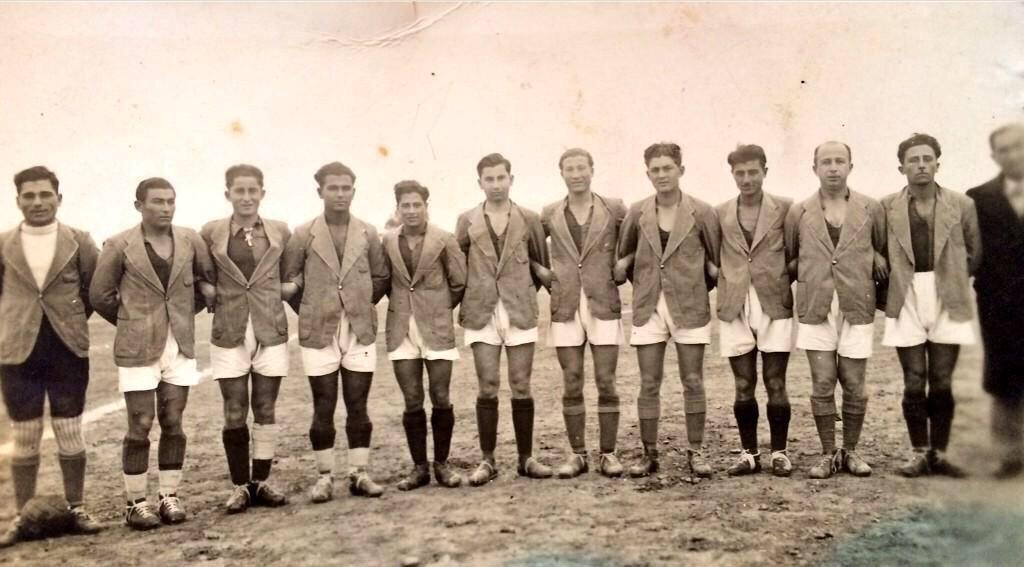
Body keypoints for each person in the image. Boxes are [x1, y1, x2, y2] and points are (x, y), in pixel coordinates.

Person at [90, 177, 216, 529]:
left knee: (173, 420)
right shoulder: (118, 244)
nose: (165, 207)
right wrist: (134, 321)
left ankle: (169, 496)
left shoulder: (190, 239)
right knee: (141, 423)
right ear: (139, 206)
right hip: (137, 345)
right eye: (157, 201)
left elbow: (206, 281)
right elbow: (100, 295)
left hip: (179, 344)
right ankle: (135, 503)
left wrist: (182, 313)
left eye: (170, 201)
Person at [0, 166, 103, 546]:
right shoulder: (3, 243)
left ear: (59, 198)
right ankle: (23, 516)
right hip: (17, 351)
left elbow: (93, 290)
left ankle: (76, 507)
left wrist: (69, 320)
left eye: (45, 194)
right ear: (18, 201)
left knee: (68, 430)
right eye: (29, 196)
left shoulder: (79, 240)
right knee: (24, 434)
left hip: (66, 348)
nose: (38, 202)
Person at [281, 161, 389, 501]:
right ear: (320, 192)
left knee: (358, 404)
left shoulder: (369, 232)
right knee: (323, 405)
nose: (340, 194)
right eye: (333, 188)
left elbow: (381, 277)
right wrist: (313, 309)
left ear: (354, 191)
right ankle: (324, 476)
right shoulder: (302, 233)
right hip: (319, 329)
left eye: (346, 188)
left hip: (358, 328)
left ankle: (359, 473)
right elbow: (291, 279)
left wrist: (358, 304)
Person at [618, 142, 721, 478]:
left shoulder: (702, 212)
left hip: (689, 305)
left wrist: (689, 286)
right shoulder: (637, 212)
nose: (662, 175)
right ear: (647, 173)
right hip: (649, 306)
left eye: (668, 168)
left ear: (681, 170)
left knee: (692, 380)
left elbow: (714, 264)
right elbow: (625, 259)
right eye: (655, 169)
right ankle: (649, 454)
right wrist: (647, 284)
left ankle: (696, 451)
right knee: (649, 382)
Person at [784, 141, 887, 480]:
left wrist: (875, 257)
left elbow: (880, 248)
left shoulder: (871, 208)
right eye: (825, 162)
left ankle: (851, 452)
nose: (832, 168)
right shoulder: (799, 212)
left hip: (856, 303)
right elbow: (792, 258)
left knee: (855, 384)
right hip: (817, 304)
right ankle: (828, 453)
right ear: (814, 168)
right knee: (823, 381)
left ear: (850, 166)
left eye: (839, 161)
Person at [881, 134, 979, 478]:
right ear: (901, 167)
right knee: (913, 379)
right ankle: (919, 452)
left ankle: (939, 453)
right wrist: (882, 260)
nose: (921, 165)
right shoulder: (887, 206)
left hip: (947, 293)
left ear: (938, 162)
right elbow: (877, 248)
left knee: (940, 380)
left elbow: (974, 251)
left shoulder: (961, 204)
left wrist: (952, 277)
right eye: (913, 160)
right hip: (906, 295)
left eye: (927, 158)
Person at [455, 152, 554, 486]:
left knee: (521, 384)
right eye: (489, 179)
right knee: (487, 385)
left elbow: (541, 265)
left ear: (512, 179)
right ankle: (488, 460)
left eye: (501, 178)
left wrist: (520, 290)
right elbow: (458, 267)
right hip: (482, 310)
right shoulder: (466, 220)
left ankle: (526, 458)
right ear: (480, 182)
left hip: (519, 308)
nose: (496, 185)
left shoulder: (528, 218)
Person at [199, 164, 291, 512]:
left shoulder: (281, 231)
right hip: (230, 328)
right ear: (228, 194)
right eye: (240, 191)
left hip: (270, 327)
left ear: (262, 194)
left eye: (253, 191)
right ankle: (239, 485)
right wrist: (208, 288)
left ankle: (262, 481)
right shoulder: (210, 232)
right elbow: (200, 274)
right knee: (234, 409)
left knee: (265, 407)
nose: (247, 197)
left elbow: (292, 272)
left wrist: (289, 288)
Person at [540, 148, 628, 478]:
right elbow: (532, 249)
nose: (576, 174)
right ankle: (577, 454)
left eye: (581, 168)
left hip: (602, 300)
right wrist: (543, 274)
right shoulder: (549, 213)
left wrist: (623, 263)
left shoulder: (614, 207)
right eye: (570, 169)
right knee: (572, 380)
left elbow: (633, 242)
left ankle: (608, 453)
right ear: (561, 173)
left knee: (606, 380)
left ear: (592, 170)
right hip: (566, 304)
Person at [715, 146, 795, 477]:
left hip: (774, 301)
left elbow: (795, 252)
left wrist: (774, 277)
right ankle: (749, 454)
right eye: (740, 173)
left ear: (765, 170)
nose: (747, 179)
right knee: (743, 383)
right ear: (732, 175)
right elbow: (710, 253)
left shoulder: (786, 209)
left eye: (753, 172)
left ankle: (779, 452)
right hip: (735, 303)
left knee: (775, 381)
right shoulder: (719, 213)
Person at [382, 180, 466, 490]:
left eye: (417, 204)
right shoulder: (388, 241)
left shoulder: (444, 239)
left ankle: (442, 464)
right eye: (406, 205)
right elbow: (383, 279)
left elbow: (459, 282)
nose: (412, 210)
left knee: (440, 395)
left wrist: (438, 309)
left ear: (426, 207)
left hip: (437, 326)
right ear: (398, 208)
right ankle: (419, 468)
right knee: (412, 398)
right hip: (401, 327)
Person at [967, 122, 1024, 479]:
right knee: (1004, 380)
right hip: (1001, 306)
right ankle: (1010, 455)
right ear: (994, 156)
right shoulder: (979, 198)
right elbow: (970, 254)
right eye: (1004, 149)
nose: (1013, 154)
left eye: (1018, 146)